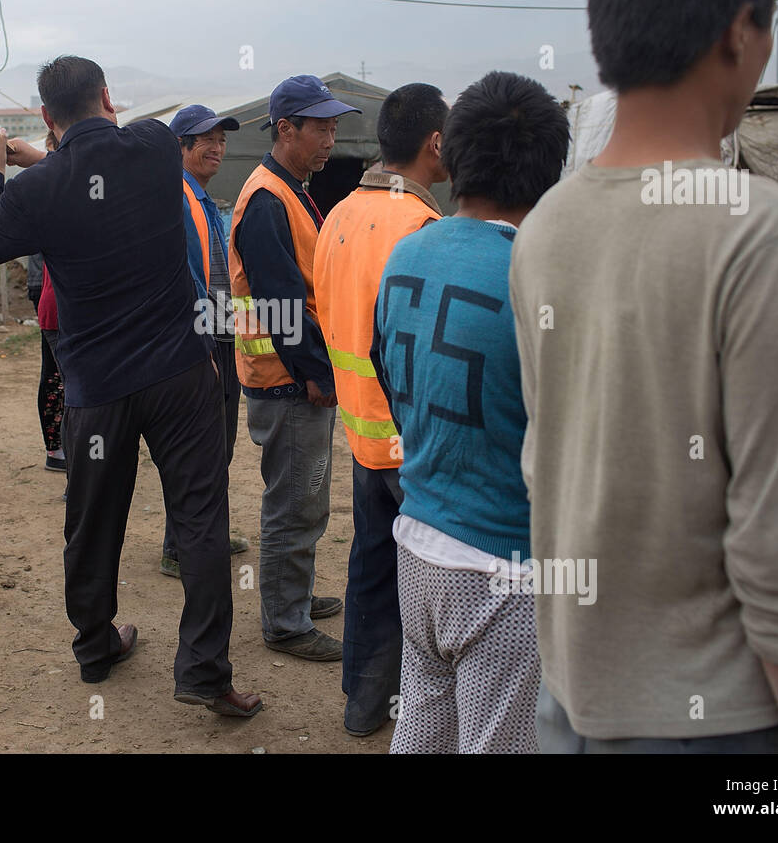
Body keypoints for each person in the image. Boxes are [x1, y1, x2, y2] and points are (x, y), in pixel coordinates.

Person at [510, 0, 778, 752]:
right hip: (712, 724)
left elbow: (545, 463)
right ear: (742, 30)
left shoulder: (545, 225)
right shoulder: (768, 235)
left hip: (567, 704)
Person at [0, 55, 261, 717]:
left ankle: (95, 648)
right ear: (107, 96)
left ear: (45, 116)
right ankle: (207, 673)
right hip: (180, 374)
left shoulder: (36, 193)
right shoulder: (156, 147)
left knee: (93, 523)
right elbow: (97, 171)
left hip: (98, 389)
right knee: (201, 522)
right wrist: (43, 156)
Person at [373, 72, 568, 753]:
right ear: (549, 172)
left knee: (422, 733)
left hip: (418, 541)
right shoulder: (543, 277)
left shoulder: (406, 254)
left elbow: (388, 376)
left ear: (452, 158)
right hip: (504, 566)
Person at [314, 83, 448, 736]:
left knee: (370, 563)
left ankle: (363, 703)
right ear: (435, 143)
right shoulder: (423, 230)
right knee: (427, 579)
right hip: (415, 441)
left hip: (362, 433)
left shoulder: (337, 214)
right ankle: (423, 715)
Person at [228, 74, 358, 661]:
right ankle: (285, 622)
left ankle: (295, 597)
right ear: (286, 128)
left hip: (292, 377)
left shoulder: (291, 187)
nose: (332, 138)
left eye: (334, 126)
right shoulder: (266, 200)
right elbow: (282, 304)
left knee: (305, 498)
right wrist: (318, 374)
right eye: (322, 127)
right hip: (286, 383)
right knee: (294, 502)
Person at [158, 104, 251, 577]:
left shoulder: (202, 198)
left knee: (219, 444)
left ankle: (205, 532)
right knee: (198, 447)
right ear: (181, 147)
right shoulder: (175, 195)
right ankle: (179, 548)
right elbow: (182, 275)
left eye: (222, 140)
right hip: (200, 337)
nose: (217, 148)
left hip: (219, 331)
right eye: (206, 140)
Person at [35, 132, 67, 477]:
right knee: (67, 387)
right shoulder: (56, 192)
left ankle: (66, 455)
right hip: (60, 308)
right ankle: (61, 453)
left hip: (59, 306)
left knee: (68, 384)